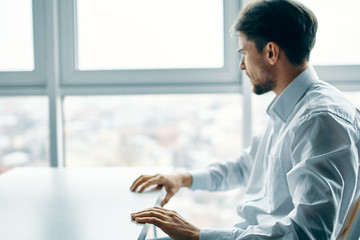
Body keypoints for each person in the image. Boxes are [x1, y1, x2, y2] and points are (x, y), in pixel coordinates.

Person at [130, 0, 360, 239]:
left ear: (271, 52)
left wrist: (199, 235)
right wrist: (183, 178)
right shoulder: (292, 108)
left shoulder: (319, 121)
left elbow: (309, 233)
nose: (241, 65)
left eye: (244, 53)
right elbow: (245, 167)